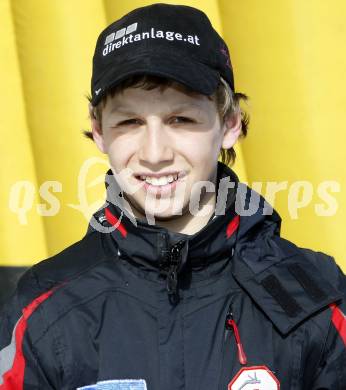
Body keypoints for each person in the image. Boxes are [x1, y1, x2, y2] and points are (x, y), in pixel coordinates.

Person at [0, 3, 345, 390]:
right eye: (129, 122)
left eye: (181, 119)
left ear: (229, 124)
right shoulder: (43, 307)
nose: (155, 153)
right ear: (99, 131)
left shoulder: (316, 299)